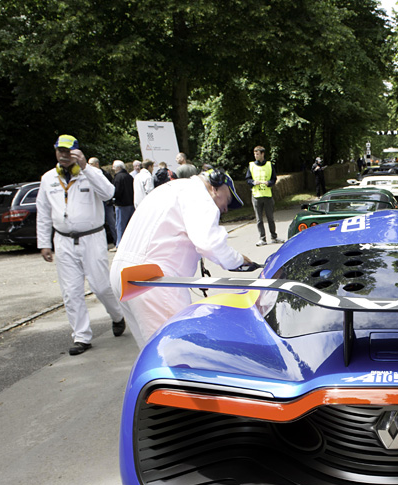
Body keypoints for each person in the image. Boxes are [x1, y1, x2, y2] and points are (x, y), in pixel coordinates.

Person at [110, 170, 257, 348]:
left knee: (150, 353)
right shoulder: (199, 195)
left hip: (124, 274)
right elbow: (209, 244)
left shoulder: (171, 189)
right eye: (227, 200)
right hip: (154, 280)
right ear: (216, 187)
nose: (225, 208)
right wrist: (238, 261)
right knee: (176, 351)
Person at [36, 134, 127, 355]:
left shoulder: (91, 174)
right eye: (60, 151)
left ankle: (117, 316)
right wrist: (44, 243)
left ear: (77, 152)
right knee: (71, 291)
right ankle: (81, 337)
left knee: (100, 286)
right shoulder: (48, 178)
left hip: (92, 238)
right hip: (64, 240)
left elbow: (109, 193)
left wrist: (86, 168)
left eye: (68, 152)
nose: (64, 156)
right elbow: (44, 213)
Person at [246, 145, 279, 246]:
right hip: (256, 195)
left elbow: (274, 178)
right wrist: (252, 182)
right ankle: (262, 238)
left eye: (257, 154)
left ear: (262, 154)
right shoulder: (251, 165)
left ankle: (274, 237)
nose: (256, 156)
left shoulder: (269, 165)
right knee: (259, 219)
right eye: (255, 154)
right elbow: (247, 179)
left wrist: (269, 183)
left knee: (270, 218)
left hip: (267, 195)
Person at [111, 160, 135, 245]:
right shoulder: (129, 176)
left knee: (120, 226)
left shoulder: (118, 178)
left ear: (118, 167)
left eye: (114, 166)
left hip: (121, 205)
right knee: (130, 226)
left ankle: (119, 244)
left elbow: (116, 192)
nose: (112, 168)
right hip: (131, 204)